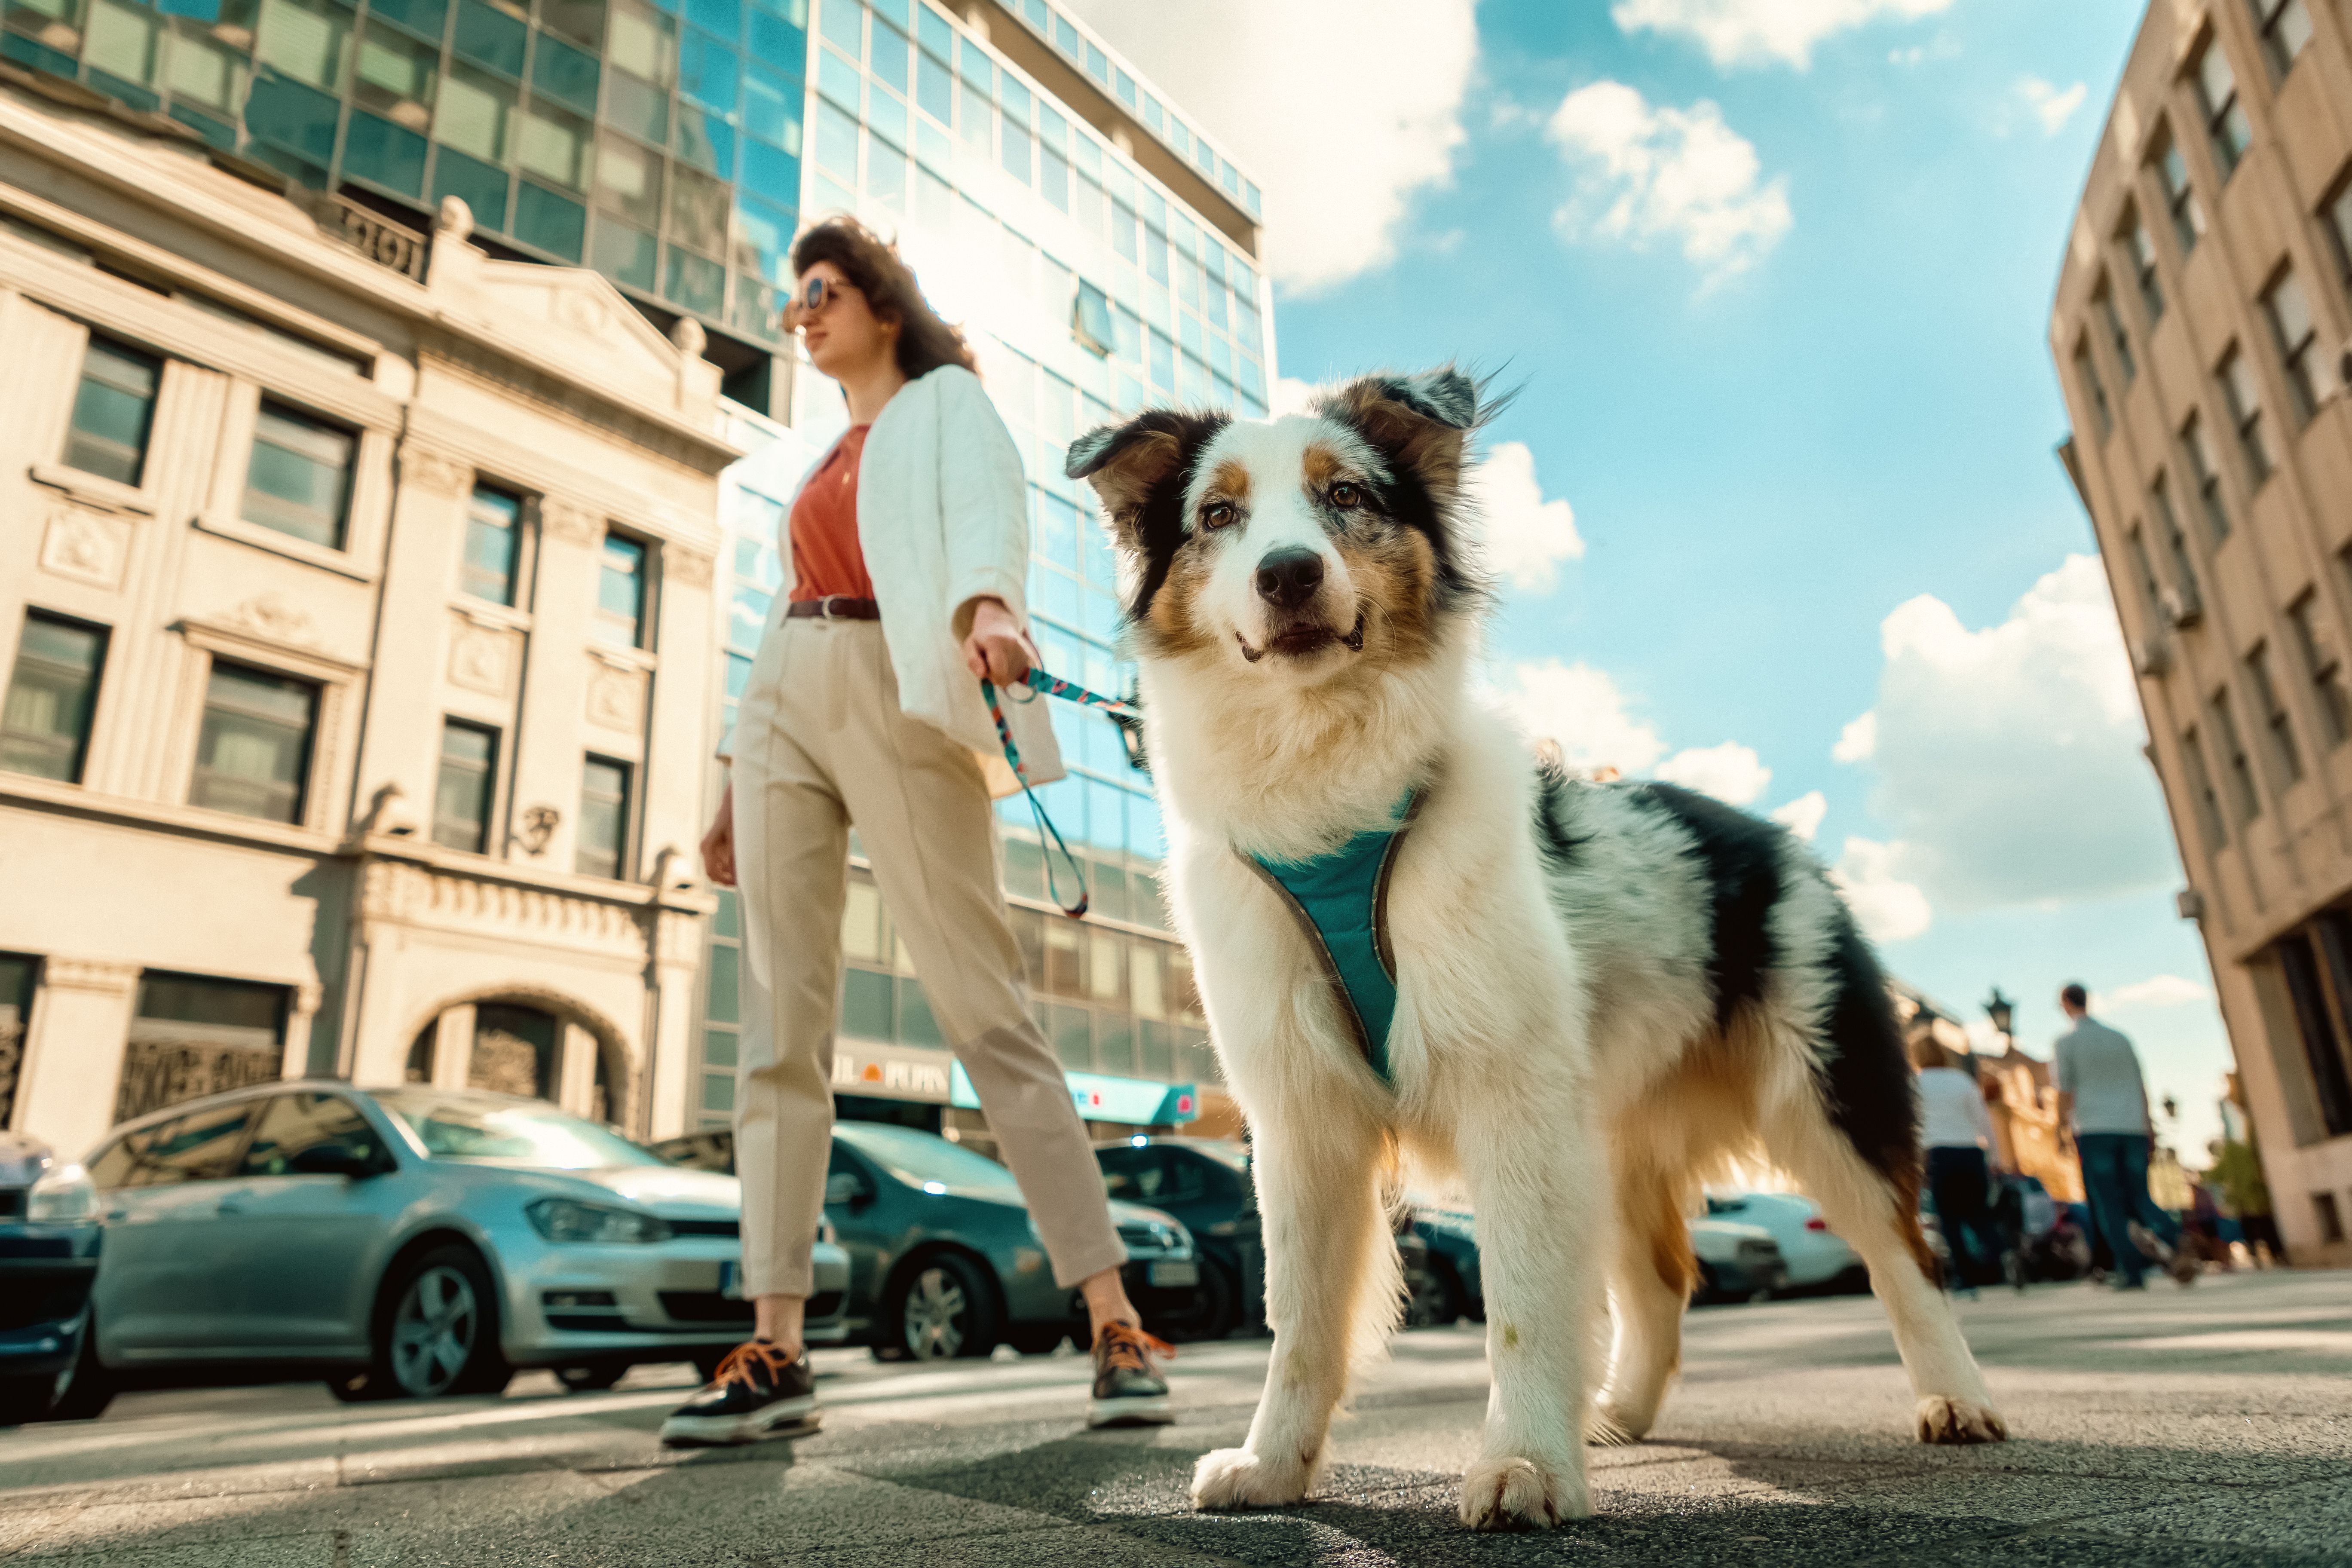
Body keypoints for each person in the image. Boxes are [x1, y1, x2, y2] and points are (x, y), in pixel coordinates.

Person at [659, 217, 1170, 1446]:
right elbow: (784, 604)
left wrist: (993, 603)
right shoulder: (827, 453)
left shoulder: (945, 404)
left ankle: (1111, 1315)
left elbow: (992, 511)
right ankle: (775, 1348)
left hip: (902, 683)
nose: (800, 312)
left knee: (982, 1009)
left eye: (820, 290)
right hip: (789, 685)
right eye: (795, 299)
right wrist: (733, 776)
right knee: (779, 1026)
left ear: (883, 301)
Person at [2054, 983, 2196, 1290]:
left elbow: (2065, 1090)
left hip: (2094, 1129)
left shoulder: (2067, 1043)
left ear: (2066, 1003)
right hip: (2132, 1127)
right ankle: (2175, 1236)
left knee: (2108, 1204)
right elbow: (2141, 1084)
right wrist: (2149, 1128)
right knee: (2139, 1195)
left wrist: (2060, 1128)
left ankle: (2131, 1271)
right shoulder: (2120, 1039)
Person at [1911, 1035, 2006, 1293]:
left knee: (1949, 1218)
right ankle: (2004, 1254)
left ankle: (1966, 1279)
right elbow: (1983, 1120)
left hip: (1939, 1154)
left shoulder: (1915, 1084)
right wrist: (1995, 1157)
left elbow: (1913, 1128)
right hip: (1970, 1152)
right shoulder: (1961, 1080)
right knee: (1978, 1213)